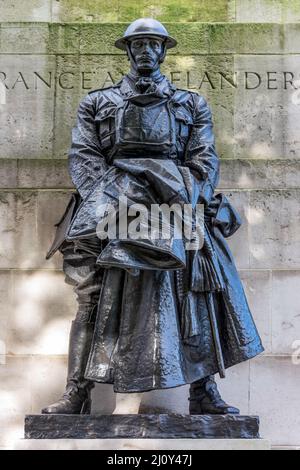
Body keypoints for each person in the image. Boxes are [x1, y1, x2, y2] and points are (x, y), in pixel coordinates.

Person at [42, 18, 263, 416]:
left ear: (163, 51)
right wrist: (115, 196)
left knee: (196, 292)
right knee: (91, 298)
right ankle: (77, 392)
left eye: (153, 44)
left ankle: (203, 390)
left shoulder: (190, 104)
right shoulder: (97, 102)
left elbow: (203, 159)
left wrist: (180, 192)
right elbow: (85, 157)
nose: (145, 51)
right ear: (127, 50)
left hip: (175, 206)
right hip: (112, 207)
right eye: (138, 44)